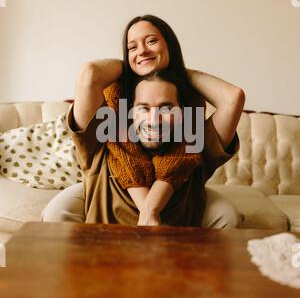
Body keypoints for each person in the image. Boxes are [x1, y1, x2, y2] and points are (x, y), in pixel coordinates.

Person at [42, 14, 245, 226]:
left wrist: (175, 69)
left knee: (227, 213)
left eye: (151, 41)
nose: (142, 50)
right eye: (132, 47)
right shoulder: (106, 134)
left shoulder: (196, 141)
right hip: (104, 248)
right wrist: (131, 66)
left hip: (177, 250)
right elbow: (89, 74)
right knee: (56, 210)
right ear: (129, 111)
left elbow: (233, 98)